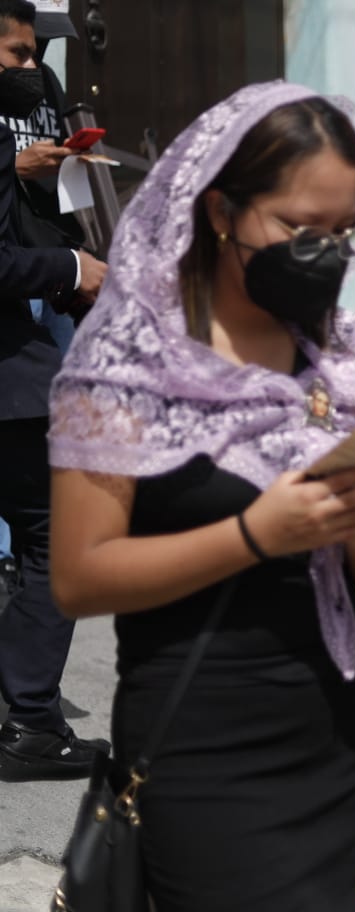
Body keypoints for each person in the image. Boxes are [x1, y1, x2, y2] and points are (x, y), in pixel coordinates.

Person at [46, 82, 355, 911]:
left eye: (343, 231)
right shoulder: (124, 365)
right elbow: (78, 576)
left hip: (336, 724)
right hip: (203, 739)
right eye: (298, 227)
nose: (324, 251)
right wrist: (254, 533)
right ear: (219, 211)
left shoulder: (323, 347)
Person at [0, 0, 107, 782]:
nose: (30, 68)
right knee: (54, 543)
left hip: (32, 359)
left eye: (33, 53)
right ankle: (30, 721)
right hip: (11, 376)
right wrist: (72, 271)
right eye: (13, 53)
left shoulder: (37, 114)